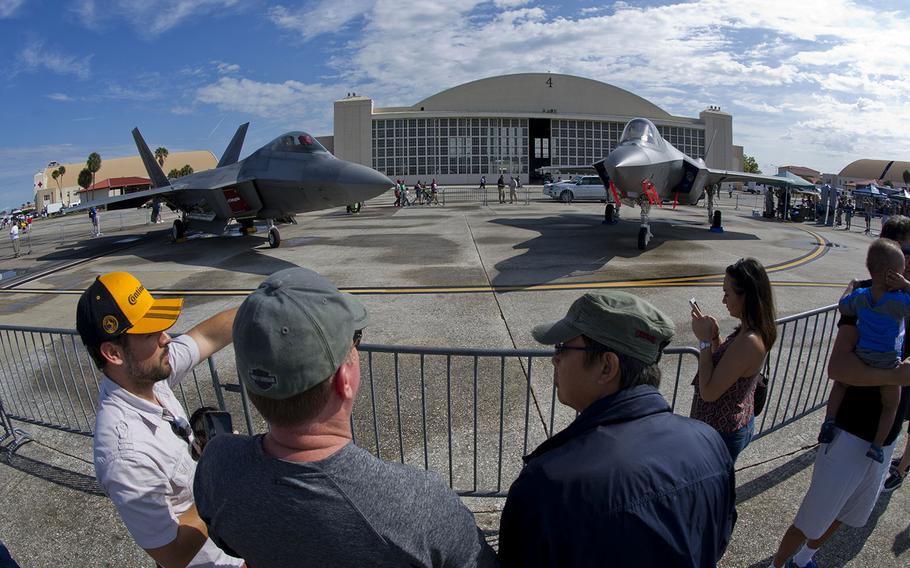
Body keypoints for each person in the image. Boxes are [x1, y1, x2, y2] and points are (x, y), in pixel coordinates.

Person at [193, 268, 496, 567]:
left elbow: (227, 543)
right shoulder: (421, 504)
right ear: (344, 378)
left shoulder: (218, 464)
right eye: (355, 342)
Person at [498, 291, 736, 567]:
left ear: (606, 366)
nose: (555, 359)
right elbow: (717, 539)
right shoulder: (710, 443)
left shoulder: (547, 486)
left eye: (563, 346)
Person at [76, 271, 243, 568]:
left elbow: (207, 336)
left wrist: (261, 305)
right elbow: (173, 554)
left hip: (231, 547)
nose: (166, 338)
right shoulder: (125, 455)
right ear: (114, 352)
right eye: (150, 332)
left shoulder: (145, 376)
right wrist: (220, 478)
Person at [771, 216, 910, 568]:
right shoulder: (863, 294)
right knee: (811, 515)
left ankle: (804, 559)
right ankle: (779, 564)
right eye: (906, 251)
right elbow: (839, 369)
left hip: (886, 436)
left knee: (851, 512)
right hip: (852, 431)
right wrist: (895, 375)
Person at [819, 239, 909, 463]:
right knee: (890, 406)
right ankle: (877, 445)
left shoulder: (861, 296)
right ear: (895, 274)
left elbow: (843, 305)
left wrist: (852, 285)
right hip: (888, 360)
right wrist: (906, 284)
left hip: (862, 354)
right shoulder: (899, 300)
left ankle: (830, 419)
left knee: (841, 384)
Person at [690, 258, 777, 462]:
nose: (723, 300)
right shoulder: (751, 330)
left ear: (746, 296)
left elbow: (709, 392)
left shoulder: (749, 341)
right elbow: (730, 367)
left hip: (721, 435)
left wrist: (703, 343)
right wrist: (714, 339)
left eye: (727, 293)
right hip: (730, 426)